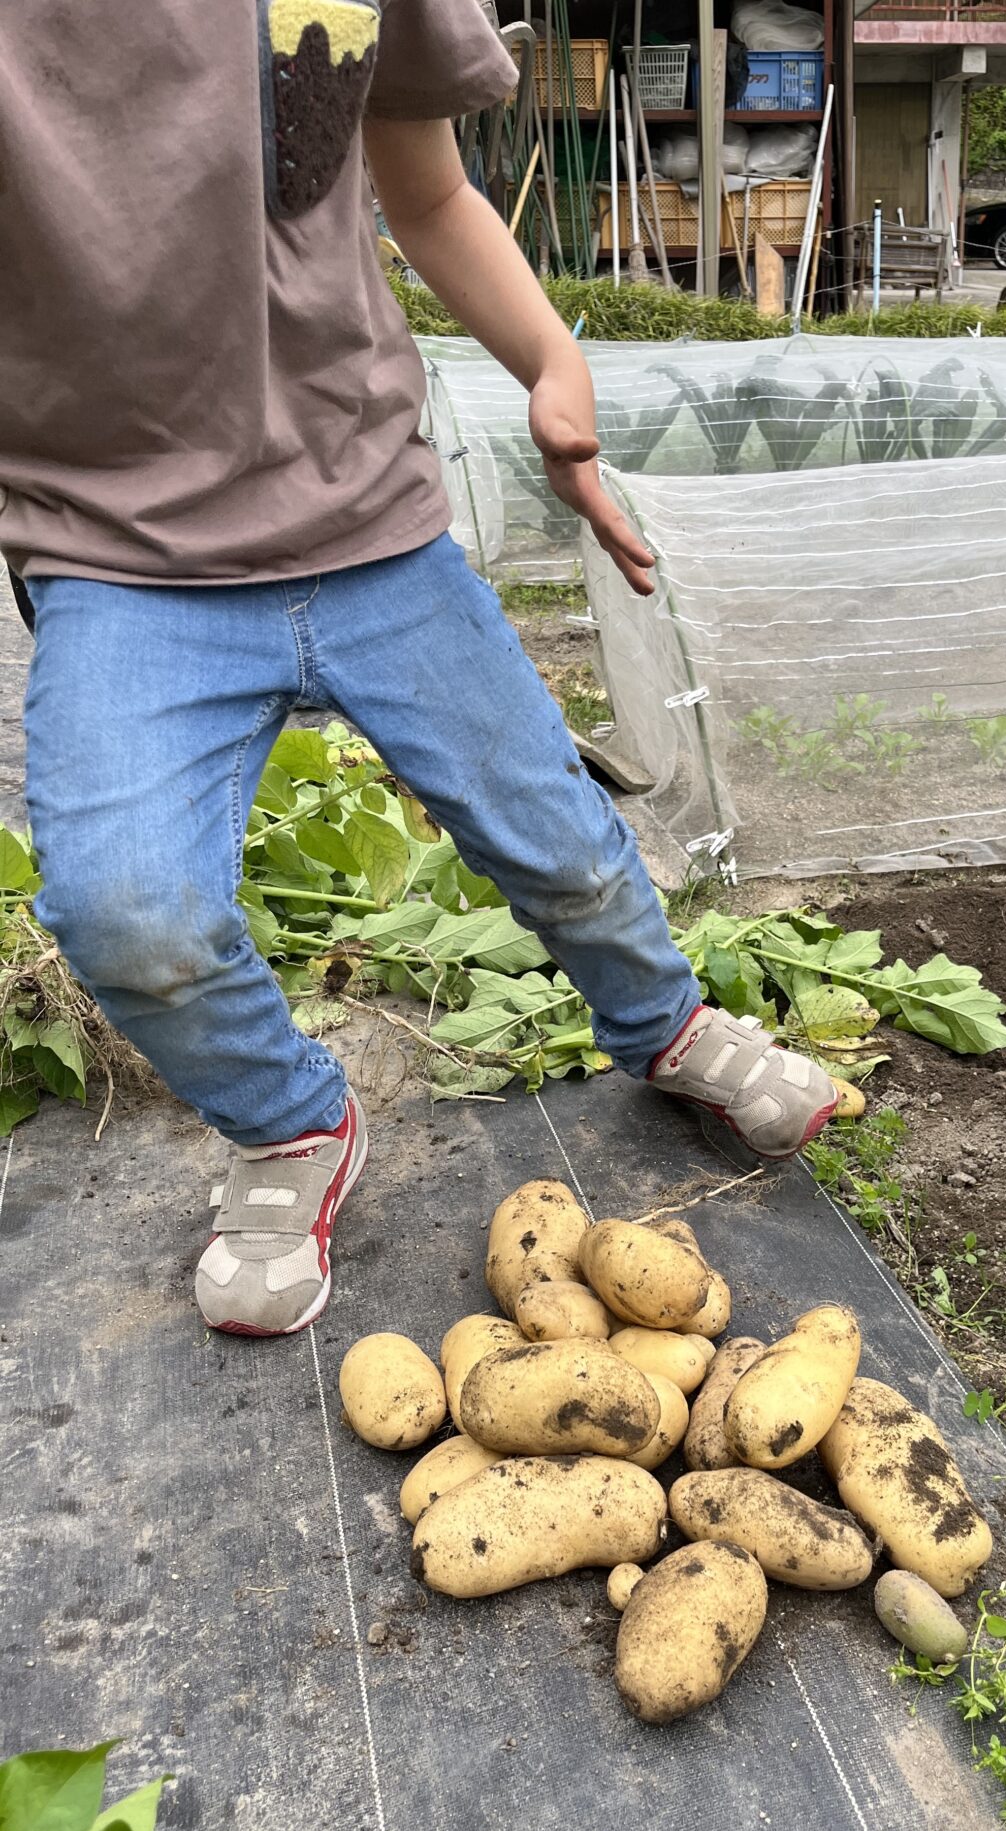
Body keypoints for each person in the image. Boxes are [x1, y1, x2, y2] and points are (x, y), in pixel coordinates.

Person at [0, 0, 836, 1338]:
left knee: (559, 837)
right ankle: (290, 1125)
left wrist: (554, 359)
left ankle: (667, 1026)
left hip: (372, 525)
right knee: (124, 913)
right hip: (121, 555)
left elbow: (428, 185)